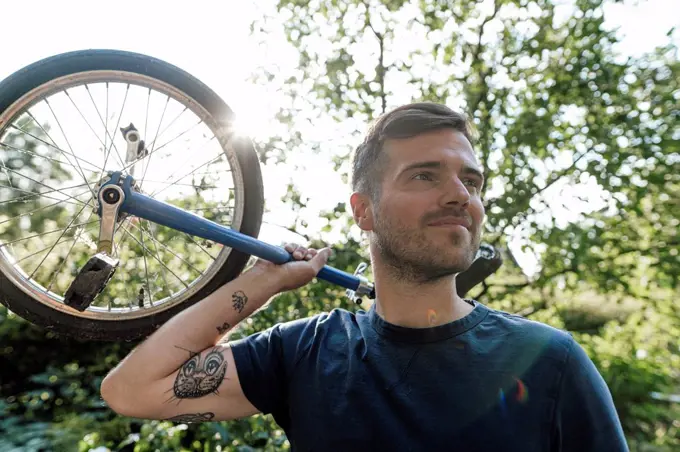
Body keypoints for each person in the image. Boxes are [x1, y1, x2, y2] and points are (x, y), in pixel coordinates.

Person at [100, 102, 628, 451]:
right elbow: (133, 391)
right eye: (425, 175)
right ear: (364, 211)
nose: (460, 196)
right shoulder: (305, 352)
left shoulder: (550, 360)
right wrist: (261, 283)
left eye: (471, 180)